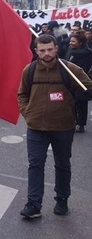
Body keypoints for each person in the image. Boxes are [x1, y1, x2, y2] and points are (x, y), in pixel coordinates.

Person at [17, 34, 92, 219]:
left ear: (56, 48)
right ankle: (34, 204)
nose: (47, 54)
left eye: (50, 49)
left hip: (63, 126)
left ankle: (62, 198)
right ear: (36, 51)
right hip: (36, 127)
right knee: (35, 165)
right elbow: (22, 94)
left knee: (62, 164)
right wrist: (27, 112)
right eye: (42, 50)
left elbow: (88, 88)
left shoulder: (70, 69)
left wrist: (84, 94)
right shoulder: (30, 70)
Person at [65, 31, 92, 132]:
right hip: (70, 82)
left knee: (81, 104)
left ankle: (81, 124)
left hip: (82, 81)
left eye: (73, 41)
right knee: (72, 104)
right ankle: (73, 121)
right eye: (70, 41)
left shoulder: (87, 53)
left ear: (80, 43)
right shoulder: (71, 51)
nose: (70, 43)